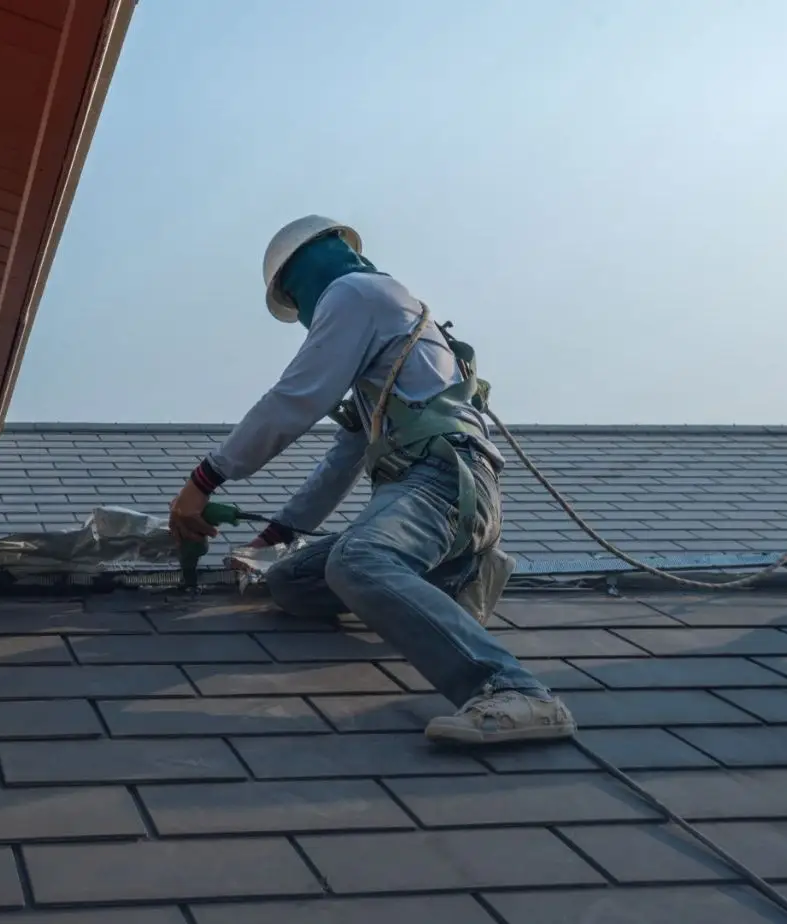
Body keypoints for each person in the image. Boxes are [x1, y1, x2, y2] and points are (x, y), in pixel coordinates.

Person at [167, 215, 576, 745]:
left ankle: (515, 690)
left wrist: (204, 480)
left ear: (301, 279)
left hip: (444, 481)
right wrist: (275, 538)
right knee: (291, 581)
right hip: (435, 491)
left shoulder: (355, 294)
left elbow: (295, 399)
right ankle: (450, 580)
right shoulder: (385, 339)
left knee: (359, 559)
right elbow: (343, 460)